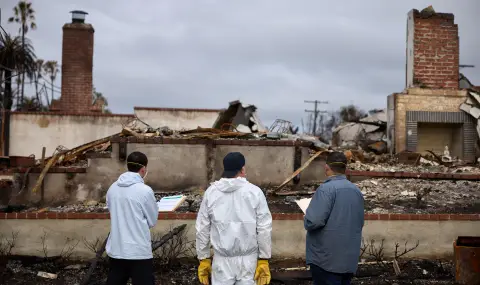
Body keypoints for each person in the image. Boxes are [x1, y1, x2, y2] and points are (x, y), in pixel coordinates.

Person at [196, 152, 273, 285]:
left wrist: (204, 258)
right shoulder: (254, 192)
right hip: (248, 262)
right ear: (242, 169)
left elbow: (202, 228)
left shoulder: (211, 193)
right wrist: (264, 258)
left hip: (221, 261)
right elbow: (264, 228)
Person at [304, 151, 364, 285]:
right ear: (345, 168)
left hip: (326, 261)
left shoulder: (326, 189)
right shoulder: (356, 191)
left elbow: (313, 221)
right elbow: (359, 222)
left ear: (327, 167)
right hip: (349, 260)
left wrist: (307, 216)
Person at [105, 151, 159, 285]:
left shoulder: (112, 188)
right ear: (143, 169)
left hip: (117, 248)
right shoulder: (145, 191)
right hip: (138, 251)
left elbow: (112, 211)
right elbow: (152, 221)